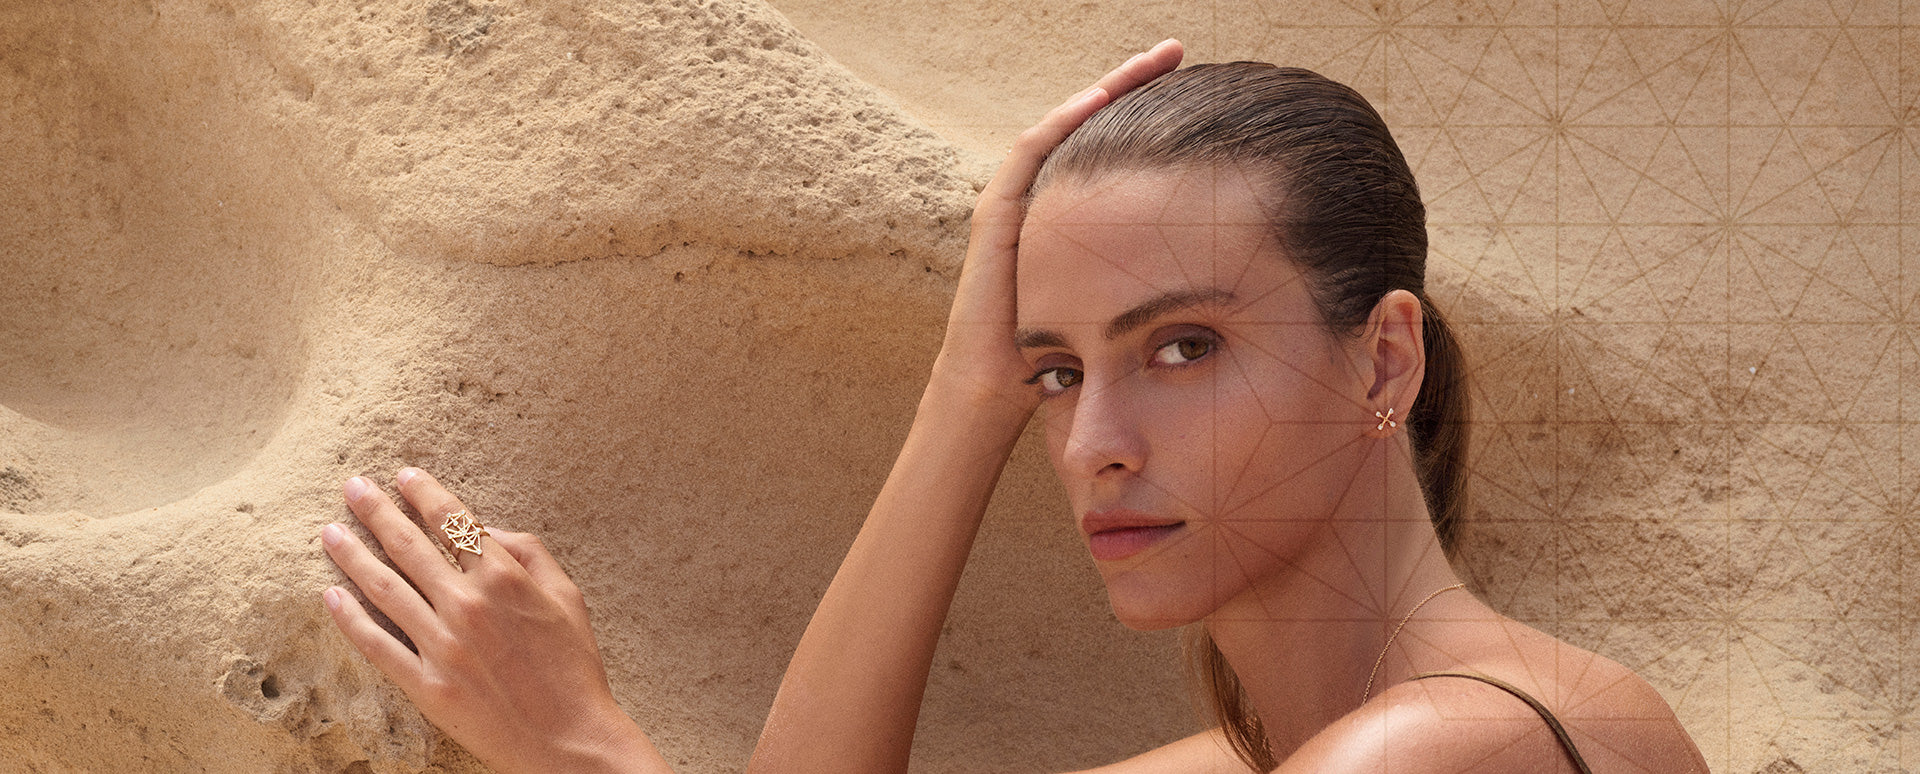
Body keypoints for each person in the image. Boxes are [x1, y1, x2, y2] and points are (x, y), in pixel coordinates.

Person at [321, 40, 1708, 773]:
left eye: (1182, 347)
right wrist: (965, 389)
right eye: (1058, 372)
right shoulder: (1275, 749)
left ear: (1383, 363)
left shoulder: (1467, 743)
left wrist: (577, 742)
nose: (1095, 441)